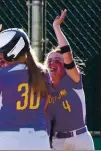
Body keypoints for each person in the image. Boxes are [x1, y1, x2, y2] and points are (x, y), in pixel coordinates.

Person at [0, 28, 51, 150]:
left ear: (12, 52)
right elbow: (45, 106)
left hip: (8, 139)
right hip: (39, 139)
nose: (1, 55)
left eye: (2, 52)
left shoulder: (2, 74)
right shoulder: (43, 73)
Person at [44, 9, 94, 150]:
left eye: (57, 61)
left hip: (80, 139)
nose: (52, 63)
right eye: (50, 60)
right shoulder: (45, 87)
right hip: (56, 141)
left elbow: (67, 54)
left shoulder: (72, 79)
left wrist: (56, 27)